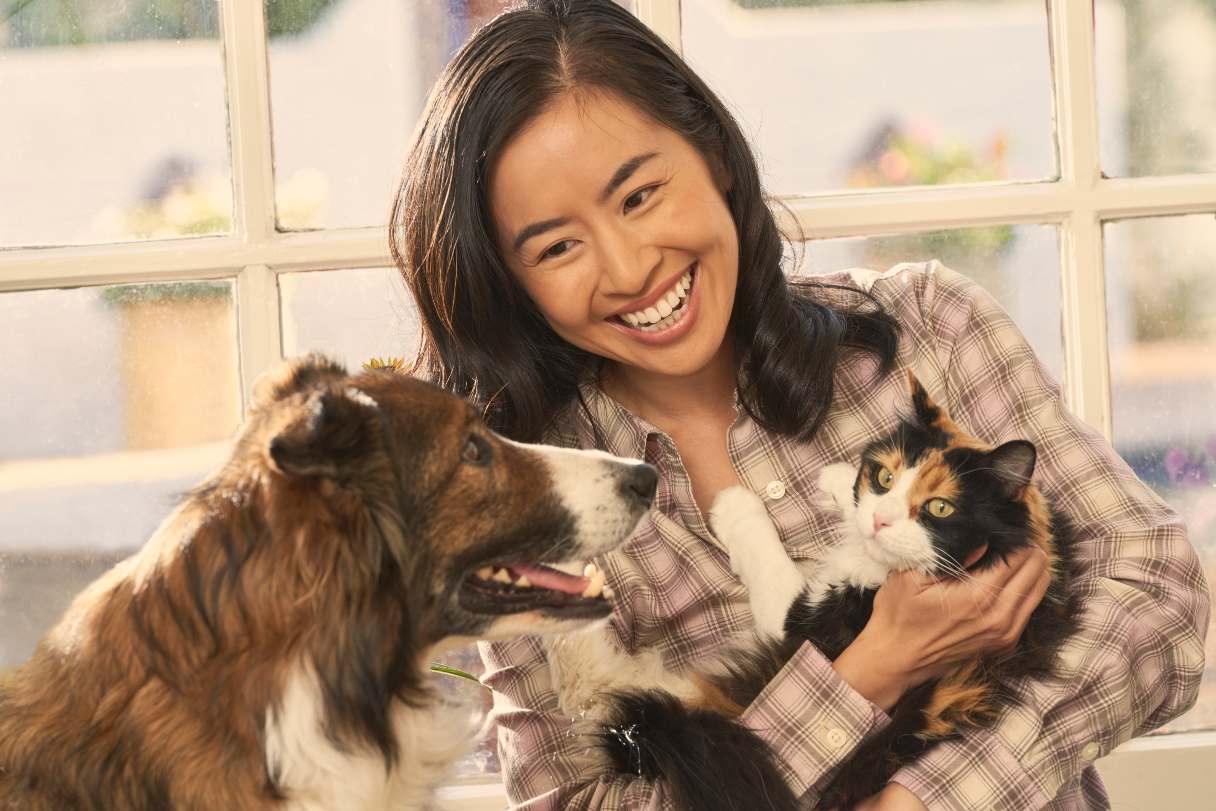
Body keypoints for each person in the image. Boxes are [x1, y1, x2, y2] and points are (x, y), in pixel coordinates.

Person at [389, 1, 1210, 808]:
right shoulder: (529, 502)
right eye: (558, 246)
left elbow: (1156, 589)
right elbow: (573, 800)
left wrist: (928, 798)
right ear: (511, 282)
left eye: (639, 196)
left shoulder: (929, 332)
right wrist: (867, 669)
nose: (630, 265)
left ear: (712, 154)